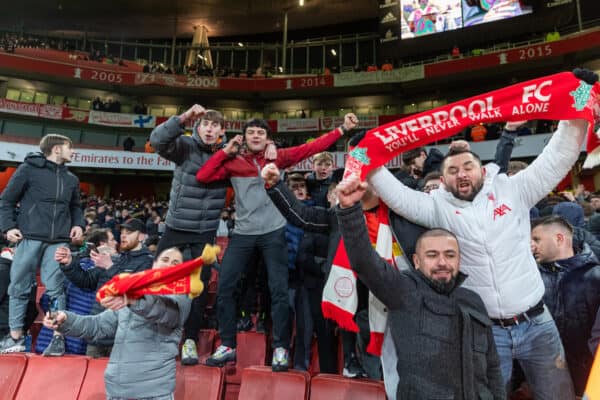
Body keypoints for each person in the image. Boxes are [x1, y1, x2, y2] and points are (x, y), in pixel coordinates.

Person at [366, 116, 589, 398]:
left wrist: (577, 105)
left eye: (468, 167)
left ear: (482, 170)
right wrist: (364, 152)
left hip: (537, 324)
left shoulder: (513, 190)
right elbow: (395, 194)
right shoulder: (436, 208)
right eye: (453, 170)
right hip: (486, 330)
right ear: (443, 179)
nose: (461, 174)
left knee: (560, 396)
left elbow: (557, 157)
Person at [197, 114, 357, 371]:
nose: (256, 136)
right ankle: (227, 344)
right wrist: (225, 152)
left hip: (273, 232)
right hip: (244, 234)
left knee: (279, 292)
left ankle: (281, 347)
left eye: (261, 132)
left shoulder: (277, 157)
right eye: (252, 132)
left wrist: (341, 130)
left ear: (267, 138)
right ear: (245, 138)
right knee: (225, 286)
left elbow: (311, 148)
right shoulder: (233, 161)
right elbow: (203, 176)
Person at [333, 174, 505, 399]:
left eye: (449, 255)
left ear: (458, 260)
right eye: (432, 255)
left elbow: (492, 367)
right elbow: (364, 262)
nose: (442, 262)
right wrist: (349, 210)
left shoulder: (473, 300)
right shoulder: (404, 291)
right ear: (416, 261)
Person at [43, 247, 190, 400]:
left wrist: (132, 299)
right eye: (164, 260)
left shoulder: (180, 300)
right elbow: (98, 326)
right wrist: (66, 320)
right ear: (153, 265)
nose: (167, 266)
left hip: (153, 394)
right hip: (116, 392)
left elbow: (162, 311)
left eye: (175, 263)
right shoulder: (132, 298)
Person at [150, 105, 229, 366]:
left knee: (199, 287)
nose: (209, 129)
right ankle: (153, 333)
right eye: (205, 124)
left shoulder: (228, 155)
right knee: (158, 279)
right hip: (176, 225)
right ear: (197, 127)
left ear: (222, 131)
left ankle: (190, 341)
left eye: (215, 125)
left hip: (205, 230)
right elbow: (157, 140)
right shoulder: (184, 146)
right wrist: (182, 118)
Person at [0, 134, 84, 355]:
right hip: (29, 237)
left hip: (58, 241)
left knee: (56, 289)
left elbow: (76, 207)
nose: (72, 152)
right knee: (18, 287)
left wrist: (78, 224)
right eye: (69, 148)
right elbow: (7, 200)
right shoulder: (28, 169)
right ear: (57, 149)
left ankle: (58, 337)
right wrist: (8, 227)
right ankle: (15, 336)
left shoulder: (72, 179)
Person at [56, 218, 153, 357]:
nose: (123, 235)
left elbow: (135, 292)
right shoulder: (116, 259)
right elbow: (86, 281)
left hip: (125, 337)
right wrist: (69, 264)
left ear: (142, 236)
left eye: (129, 232)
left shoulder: (149, 262)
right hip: (98, 333)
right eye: (122, 232)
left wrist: (110, 267)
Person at [531, 215, 600, 395]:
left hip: (588, 377)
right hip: (546, 376)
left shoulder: (594, 277)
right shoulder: (530, 278)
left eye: (536, 239)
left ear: (559, 238)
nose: (531, 245)